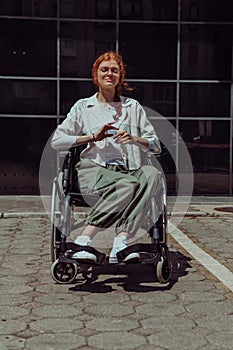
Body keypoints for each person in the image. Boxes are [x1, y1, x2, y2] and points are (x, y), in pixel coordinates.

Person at [51, 51, 161, 264]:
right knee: (128, 185)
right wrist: (93, 136)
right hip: (94, 169)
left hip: (129, 169)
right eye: (104, 69)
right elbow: (57, 141)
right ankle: (84, 239)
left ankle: (120, 242)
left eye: (114, 70)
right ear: (96, 75)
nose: (109, 73)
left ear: (120, 76)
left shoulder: (133, 107)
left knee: (152, 174)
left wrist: (135, 138)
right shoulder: (83, 107)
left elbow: (155, 144)